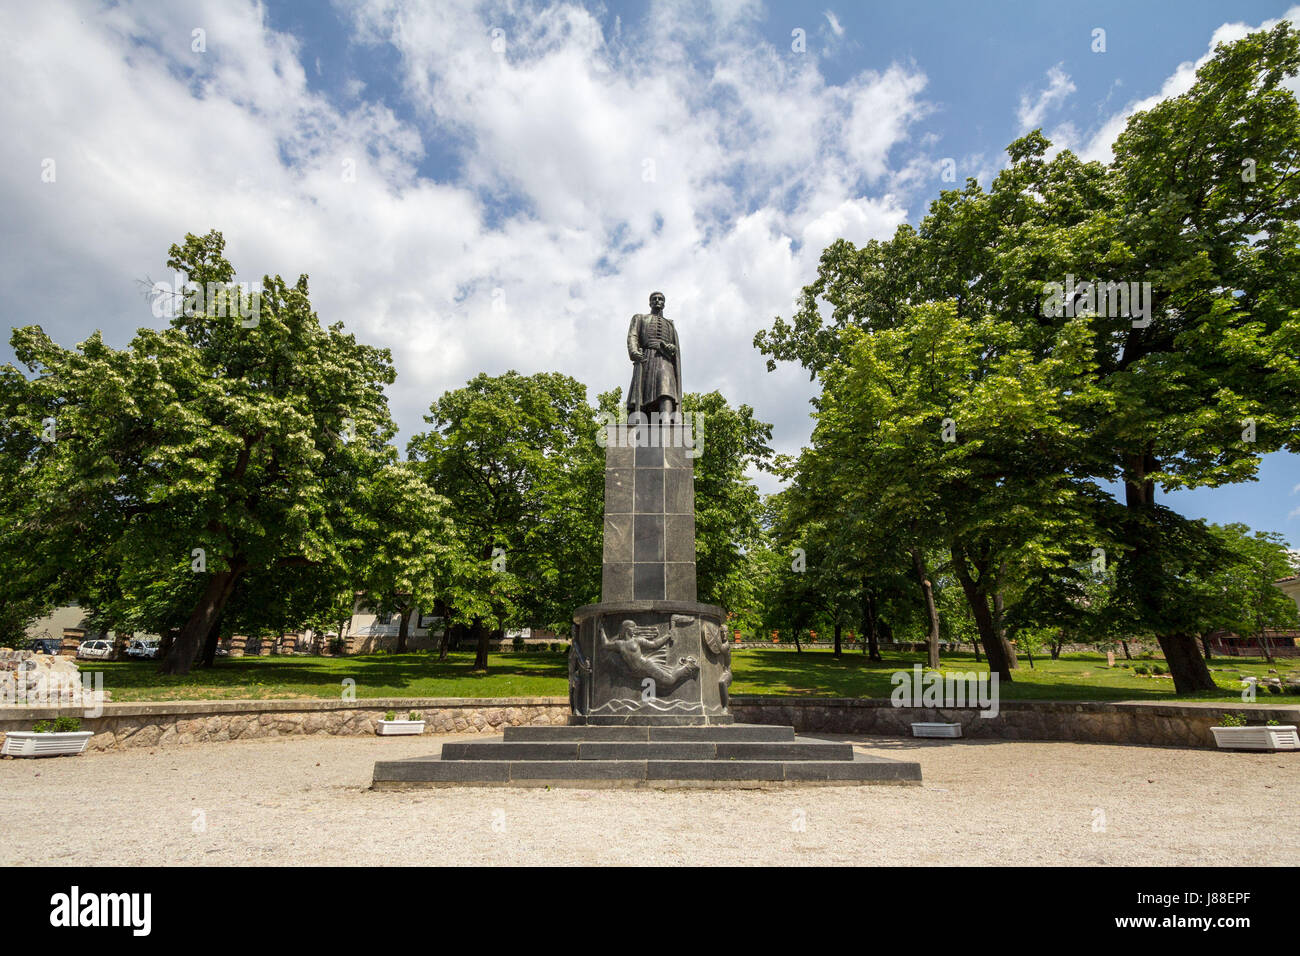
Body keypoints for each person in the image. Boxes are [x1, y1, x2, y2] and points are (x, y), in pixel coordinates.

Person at [626, 291, 682, 422]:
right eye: (654, 299)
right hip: (647, 358)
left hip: (665, 360)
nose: (657, 301)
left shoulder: (670, 325)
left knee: (666, 388)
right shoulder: (640, 318)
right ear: (650, 302)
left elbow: (675, 346)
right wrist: (634, 351)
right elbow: (633, 336)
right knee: (643, 393)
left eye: (660, 299)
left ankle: (667, 420)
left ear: (664, 303)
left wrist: (672, 348)